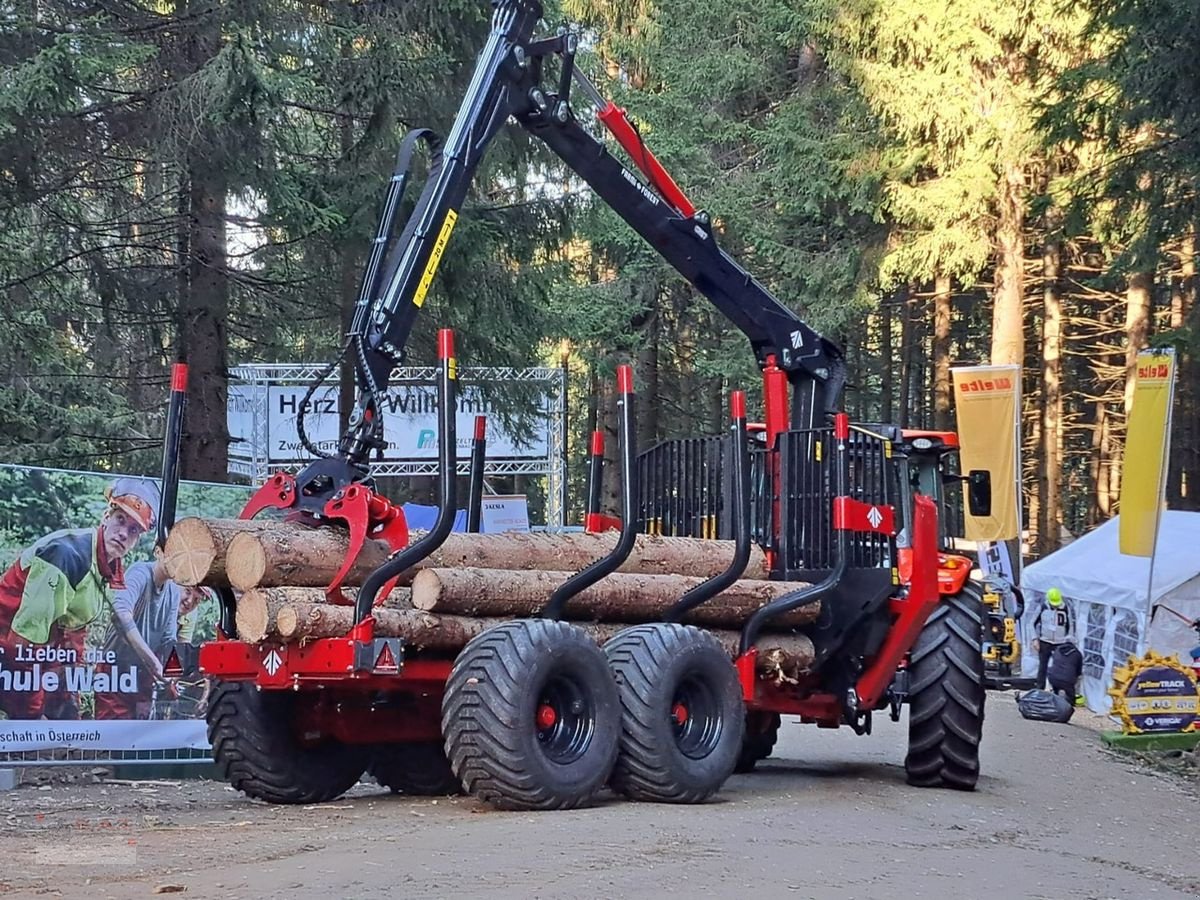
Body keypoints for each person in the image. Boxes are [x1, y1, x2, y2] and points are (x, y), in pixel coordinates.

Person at [0, 477, 159, 720]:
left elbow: (74, 630)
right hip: (11, 646)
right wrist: (33, 714)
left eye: (134, 530)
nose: (123, 533)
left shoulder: (108, 566)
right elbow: (22, 647)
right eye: (120, 520)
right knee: (29, 728)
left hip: (40, 650)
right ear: (106, 517)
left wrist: (69, 696)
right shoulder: (67, 556)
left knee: (66, 715)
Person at [93, 558, 207, 720]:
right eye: (188, 592)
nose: (189, 601)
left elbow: (169, 639)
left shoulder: (174, 592)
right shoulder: (139, 573)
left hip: (144, 676)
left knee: (141, 733)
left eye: (196, 599)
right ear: (159, 553)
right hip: (116, 669)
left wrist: (172, 675)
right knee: (113, 733)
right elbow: (120, 614)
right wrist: (154, 663)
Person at [1033, 586, 1074, 691]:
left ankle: (1057, 689)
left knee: (1059, 668)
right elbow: (1031, 623)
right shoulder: (1043, 607)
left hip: (1060, 642)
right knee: (1043, 667)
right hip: (1045, 641)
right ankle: (1039, 689)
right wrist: (1034, 639)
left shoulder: (1065, 608)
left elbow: (1070, 626)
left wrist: (1069, 641)